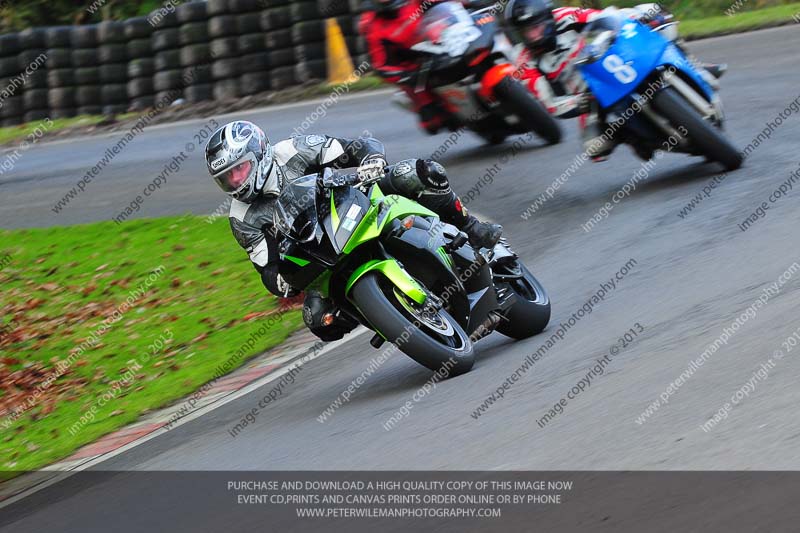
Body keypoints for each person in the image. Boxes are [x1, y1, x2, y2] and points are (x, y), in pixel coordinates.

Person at [205, 121, 502, 341]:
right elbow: (266, 266)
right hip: (322, 252)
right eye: (226, 179)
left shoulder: (292, 150)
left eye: (239, 170)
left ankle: (470, 227)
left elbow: (354, 147)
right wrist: (280, 282)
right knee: (319, 320)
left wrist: (370, 161)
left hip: (355, 201)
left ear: (259, 155)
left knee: (417, 173)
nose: (235, 181)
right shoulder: (241, 218)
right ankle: (385, 315)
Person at [503, 0, 726, 160]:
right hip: (589, 96)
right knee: (595, 148)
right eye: (526, 32)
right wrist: (577, 102)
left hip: (608, 62)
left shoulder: (565, 16)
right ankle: (634, 138)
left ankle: (694, 65)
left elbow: (603, 18)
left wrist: (631, 17)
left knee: (652, 12)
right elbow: (549, 103)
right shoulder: (523, 60)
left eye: (536, 27)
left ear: (547, 17)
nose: (533, 36)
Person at [359, 0, 458, 134]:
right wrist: (406, 75)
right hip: (415, 67)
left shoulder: (414, 2)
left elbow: (445, 4)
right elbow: (381, 65)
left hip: (445, 41)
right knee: (432, 123)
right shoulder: (372, 26)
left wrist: (468, 3)